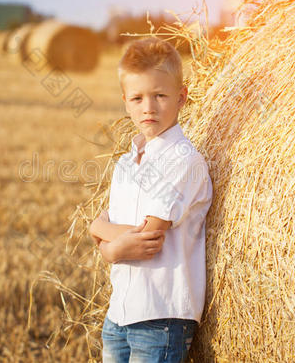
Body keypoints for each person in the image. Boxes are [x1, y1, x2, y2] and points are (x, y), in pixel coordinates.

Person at [89, 37, 213, 363]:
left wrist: (106, 242)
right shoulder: (126, 164)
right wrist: (103, 232)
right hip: (120, 311)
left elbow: (148, 236)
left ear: (181, 97)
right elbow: (109, 224)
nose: (149, 107)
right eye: (138, 97)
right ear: (125, 102)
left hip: (161, 316)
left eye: (160, 95)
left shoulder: (183, 160)